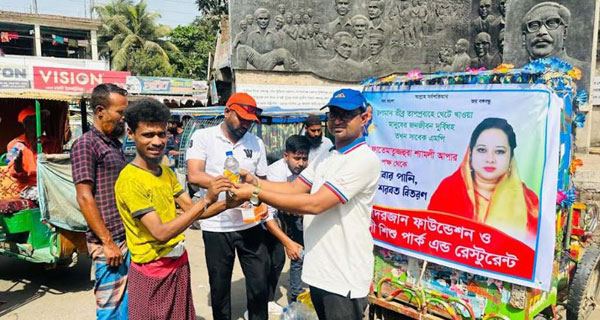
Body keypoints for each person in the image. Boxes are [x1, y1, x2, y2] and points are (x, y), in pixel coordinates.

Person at [231, 89, 381, 320]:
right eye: (333, 114)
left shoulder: (363, 159)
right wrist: (255, 181)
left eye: (346, 114)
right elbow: (294, 188)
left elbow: (315, 204)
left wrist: (256, 191)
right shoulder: (328, 155)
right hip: (321, 269)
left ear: (364, 118)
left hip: (343, 275)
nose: (337, 120)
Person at [115, 98, 236, 320]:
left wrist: (228, 203)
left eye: (161, 134)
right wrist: (205, 200)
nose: (157, 141)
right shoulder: (131, 179)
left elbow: (195, 212)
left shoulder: (166, 173)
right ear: (131, 134)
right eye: (148, 135)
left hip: (177, 263)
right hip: (152, 271)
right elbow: (160, 233)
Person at [186, 92, 270, 320]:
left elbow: (263, 180)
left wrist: (261, 200)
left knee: (259, 283)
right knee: (220, 286)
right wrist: (228, 186)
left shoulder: (256, 143)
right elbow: (194, 175)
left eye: (249, 121)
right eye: (241, 119)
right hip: (217, 224)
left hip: (250, 223)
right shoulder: (204, 137)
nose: (245, 125)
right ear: (227, 112)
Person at [427, 118, 539, 248]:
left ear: (511, 158)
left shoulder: (530, 203)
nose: (490, 159)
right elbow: (431, 236)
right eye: (481, 150)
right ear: (470, 154)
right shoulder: (448, 190)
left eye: (499, 151)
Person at [71, 84, 129, 320]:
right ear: (100, 111)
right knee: (111, 311)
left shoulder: (112, 144)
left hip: (124, 237)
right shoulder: (87, 144)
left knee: (125, 308)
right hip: (109, 242)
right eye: (120, 113)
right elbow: (84, 196)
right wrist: (107, 241)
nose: (124, 119)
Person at [264, 135, 309, 306]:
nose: (301, 163)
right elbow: (268, 215)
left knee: (298, 254)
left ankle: (295, 298)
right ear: (285, 156)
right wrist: (286, 241)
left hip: (295, 213)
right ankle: (265, 300)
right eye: (297, 158)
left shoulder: (307, 170)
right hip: (272, 217)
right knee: (275, 260)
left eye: (304, 158)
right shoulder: (275, 173)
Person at [521, 2, 585, 70]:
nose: (542, 32)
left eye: (551, 23)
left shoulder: (584, 70)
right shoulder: (512, 76)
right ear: (524, 38)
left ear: (564, 32)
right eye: (534, 26)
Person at [7, 106, 58, 192]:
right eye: (35, 122)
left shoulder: (52, 142)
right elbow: (12, 171)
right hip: (27, 187)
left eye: (43, 121)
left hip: (50, 184)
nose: (41, 125)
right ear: (26, 124)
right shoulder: (14, 145)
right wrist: (17, 167)